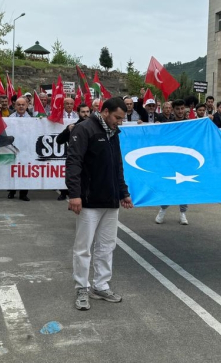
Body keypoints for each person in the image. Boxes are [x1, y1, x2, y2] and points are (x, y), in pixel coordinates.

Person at [66, 97, 133, 311]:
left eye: (122, 119)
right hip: (88, 200)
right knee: (83, 248)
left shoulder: (114, 133)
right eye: (117, 117)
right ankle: (82, 289)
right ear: (104, 112)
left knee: (107, 246)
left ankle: (101, 285)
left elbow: (117, 166)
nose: (120, 122)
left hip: (111, 200)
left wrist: (123, 192)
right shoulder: (84, 129)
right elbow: (73, 162)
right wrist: (74, 194)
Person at [155, 99, 190, 225]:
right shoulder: (167, 125)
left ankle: (183, 213)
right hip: (171, 161)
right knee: (168, 186)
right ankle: (163, 210)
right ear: (173, 110)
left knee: (184, 187)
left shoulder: (192, 124)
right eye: (177, 109)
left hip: (186, 162)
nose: (180, 111)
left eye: (182, 109)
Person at [55, 102, 91, 200]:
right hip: (76, 160)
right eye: (83, 112)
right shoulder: (74, 126)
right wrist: (67, 130)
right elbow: (59, 140)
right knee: (74, 181)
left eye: (87, 112)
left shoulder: (94, 126)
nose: (86, 114)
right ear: (78, 113)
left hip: (90, 161)